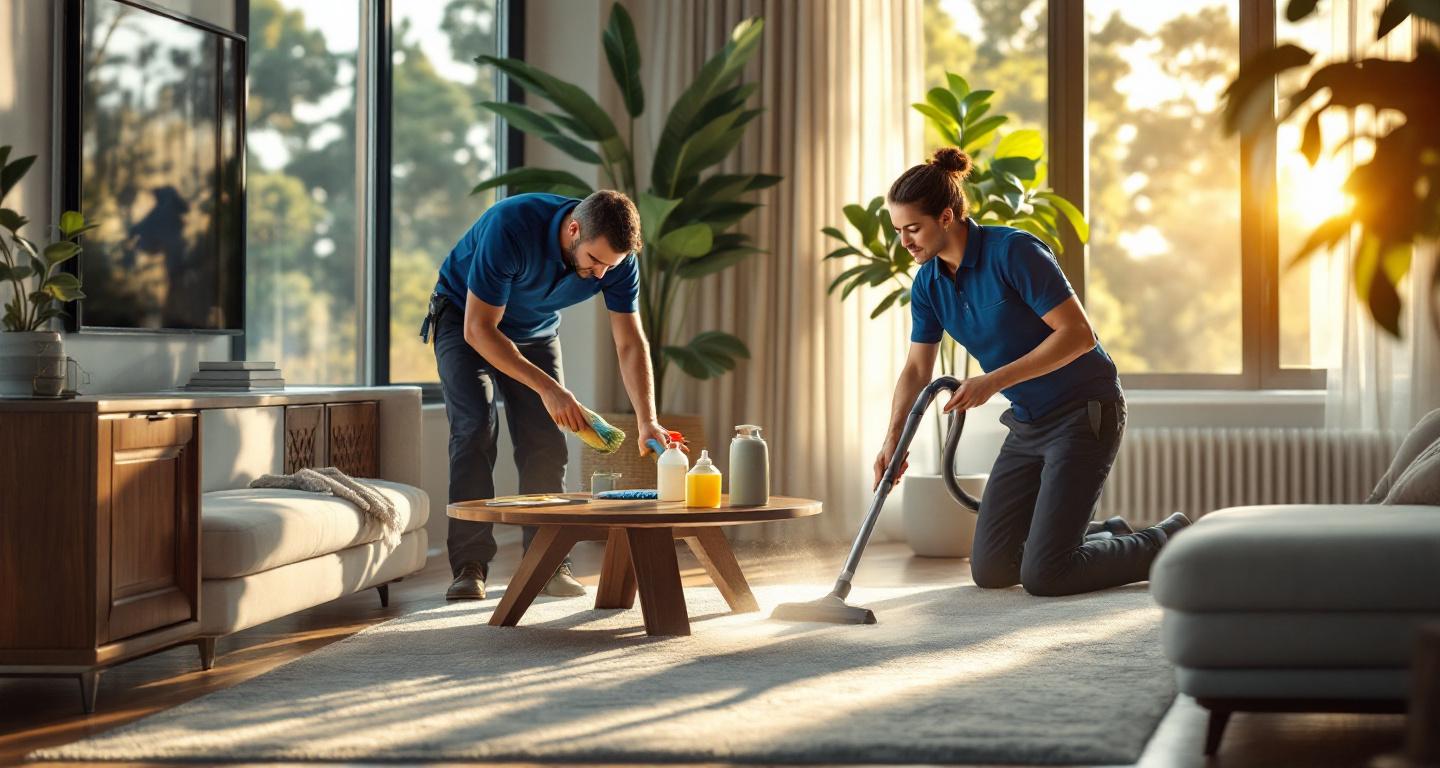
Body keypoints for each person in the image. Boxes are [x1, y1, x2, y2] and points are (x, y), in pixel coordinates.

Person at [874, 147, 1189, 597]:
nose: (904, 242)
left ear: (946, 217)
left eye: (912, 228)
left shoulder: (1014, 252)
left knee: (1046, 575)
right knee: (992, 569)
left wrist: (993, 381)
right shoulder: (928, 283)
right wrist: (893, 441)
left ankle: (1164, 539)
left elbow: (1078, 335)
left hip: (1084, 413)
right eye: (898, 230)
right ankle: (1105, 532)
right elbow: (916, 369)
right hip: (1028, 422)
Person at [423, 190, 677, 600]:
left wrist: (647, 418)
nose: (599, 275)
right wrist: (550, 389)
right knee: (475, 429)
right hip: (467, 320)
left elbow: (630, 342)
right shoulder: (511, 226)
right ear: (573, 229)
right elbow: (479, 329)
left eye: (608, 266)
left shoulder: (616, 263)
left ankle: (548, 561)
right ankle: (470, 567)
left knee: (546, 440)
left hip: (536, 330)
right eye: (594, 261)